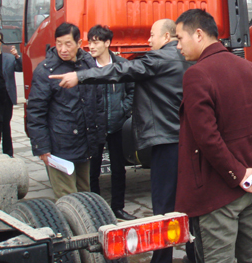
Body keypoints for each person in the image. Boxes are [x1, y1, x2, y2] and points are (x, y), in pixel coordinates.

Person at [51, 19, 190, 263]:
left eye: (152, 34)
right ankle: (194, 253)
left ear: (167, 37)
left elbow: (119, 71)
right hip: (186, 140)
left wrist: (80, 77)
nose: (149, 39)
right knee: (188, 203)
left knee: (164, 207)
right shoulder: (187, 58)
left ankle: (162, 259)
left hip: (167, 142)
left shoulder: (160, 58)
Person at [174, 9, 252, 263]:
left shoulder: (197, 74)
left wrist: (237, 173)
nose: (178, 46)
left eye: (179, 38)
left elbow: (206, 137)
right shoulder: (250, 68)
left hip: (218, 192)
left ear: (199, 34)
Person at [27, 22, 103, 198]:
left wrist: (98, 137)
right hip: (59, 146)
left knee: (85, 194)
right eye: (59, 43)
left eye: (68, 44)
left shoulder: (88, 65)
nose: (63, 49)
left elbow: (97, 102)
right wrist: (41, 147)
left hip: (84, 142)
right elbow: (35, 112)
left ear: (79, 43)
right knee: (67, 198)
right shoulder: (46, 71)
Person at [86, 25, 136, 221]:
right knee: (92, 171)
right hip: (94, 126)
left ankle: (118, 208)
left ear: (107, 43)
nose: (91, 46)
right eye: (90, 42)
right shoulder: (87, 67)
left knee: (118, 169)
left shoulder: (121, 65)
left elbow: (132, 90)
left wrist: (124, 109)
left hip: (116, 125)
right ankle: (95, 211)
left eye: (96, 42)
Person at [0, 31, 23, 157]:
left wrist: (17, 56)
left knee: (6, 126)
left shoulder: (9, 57)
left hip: (6, 97)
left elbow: (20, 68)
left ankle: (8, 153)